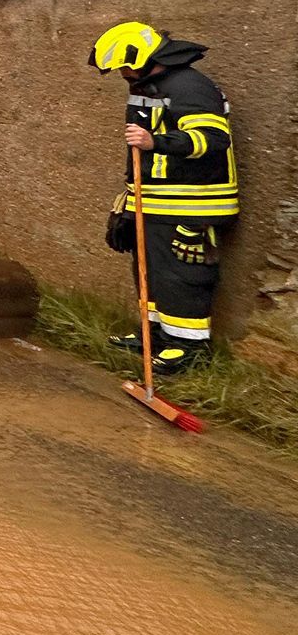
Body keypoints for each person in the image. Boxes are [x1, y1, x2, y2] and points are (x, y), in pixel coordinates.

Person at [91, 22, 238, 375]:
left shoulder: (190, 86)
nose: (123, 74)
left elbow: (212, 140)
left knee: (180, 274)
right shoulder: (151, 86)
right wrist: (129, 199)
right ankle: (155, 334)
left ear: (144, 59)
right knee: (151, 274)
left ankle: (189, 347)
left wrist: (156, 142)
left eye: (125, 67)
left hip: (192, 203)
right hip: (155, 200)